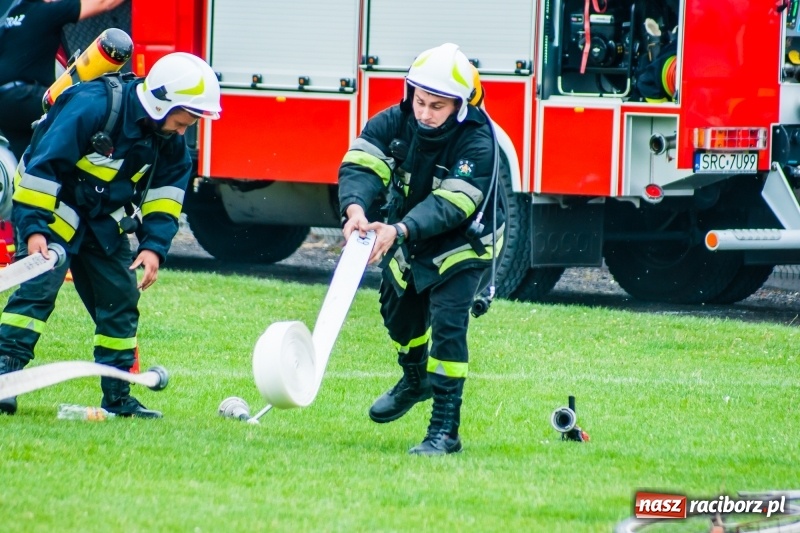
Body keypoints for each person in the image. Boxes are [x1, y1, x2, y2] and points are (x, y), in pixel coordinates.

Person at [0, 52, 222, 417]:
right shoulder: (93, 106)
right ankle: (5, 381)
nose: (185, 129)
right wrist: (35, 229)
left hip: (103, 221)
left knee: (120, 301)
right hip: (54, 208)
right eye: (185, 120)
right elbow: (43, 167)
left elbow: (165, 198)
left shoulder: (169, 138)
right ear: (163, 102)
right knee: (37, 293)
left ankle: (119, 398)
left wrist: (153, 248)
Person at [338, 43, 504, 455]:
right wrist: (355, 209)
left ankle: (445, 431)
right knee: (399, 316)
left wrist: (398, 229)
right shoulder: (395, 120)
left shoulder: (479, 143)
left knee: (448, 327)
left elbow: (452, 205)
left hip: (462, 244)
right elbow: (362, 163)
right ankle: (416, 378)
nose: (424, 113)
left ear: (460, 107)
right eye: (419, 100)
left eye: (437, 106)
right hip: (408, 235)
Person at [0, 0, 128, 160]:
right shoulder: (47, 10)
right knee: (83, 113)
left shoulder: (14, 13)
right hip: (25, 96)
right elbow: (103, 3)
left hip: (4, 103)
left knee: (29, 162)